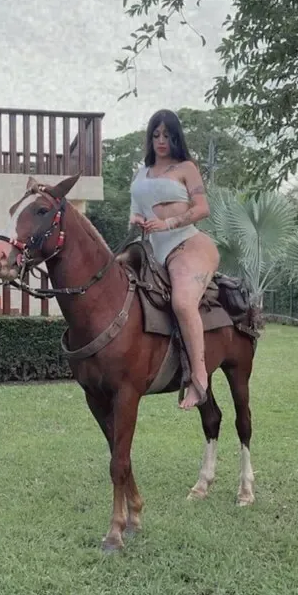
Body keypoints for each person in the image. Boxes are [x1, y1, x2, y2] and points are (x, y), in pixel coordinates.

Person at [129, 109, 220, 409]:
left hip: (187, 244)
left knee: (182, 302)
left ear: (176, 137)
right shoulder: (141, 173)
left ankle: (199, 378)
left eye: (167, 135)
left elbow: (202, 208)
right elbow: (135, 209)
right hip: (151, 247)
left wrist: (168, 223)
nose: (161, 141)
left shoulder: (186, 167)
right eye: (156, 135)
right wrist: (137, 219)